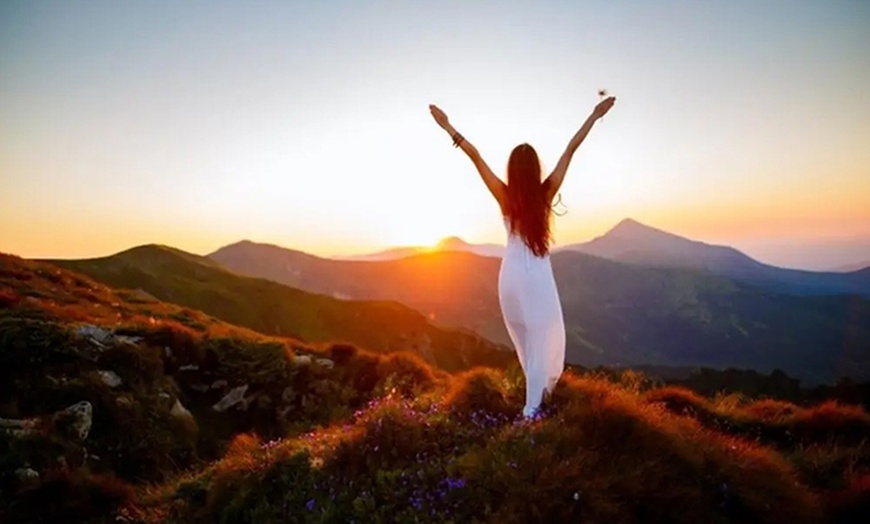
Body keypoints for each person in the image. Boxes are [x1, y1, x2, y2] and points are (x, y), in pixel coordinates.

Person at [429, 96, 616, 417]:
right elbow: (570, 149)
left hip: (511, 276)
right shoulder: (547, 193)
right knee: (544, 336)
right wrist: (594, 115)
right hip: (537, 276)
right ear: (535, 170)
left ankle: (535, 398)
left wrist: (448, 127)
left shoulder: (504, 196)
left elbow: (476, 158)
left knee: (526, 338)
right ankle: (534, 408)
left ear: (513, 171)